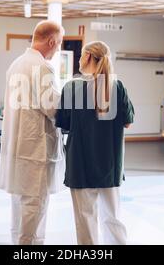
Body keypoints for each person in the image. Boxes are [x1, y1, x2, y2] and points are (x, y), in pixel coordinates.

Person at [55, 41, 134, 245]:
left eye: (81, 54)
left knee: (85, 220)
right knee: (113, 218)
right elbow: (128, 122)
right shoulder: (117, 87)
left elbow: (63, 123)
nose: (80, 59)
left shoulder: (72, 87)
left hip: (81, 165)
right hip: (110, 165)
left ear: (88, 56)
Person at [0, 20, 65, 245]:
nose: (57, 51)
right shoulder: (42, 66)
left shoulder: (15, 64)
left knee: (19, 207)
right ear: (51, 40)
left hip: (17, 149)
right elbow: (52, 107)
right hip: (35, 150)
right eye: (59, 45)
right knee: (34, 208)